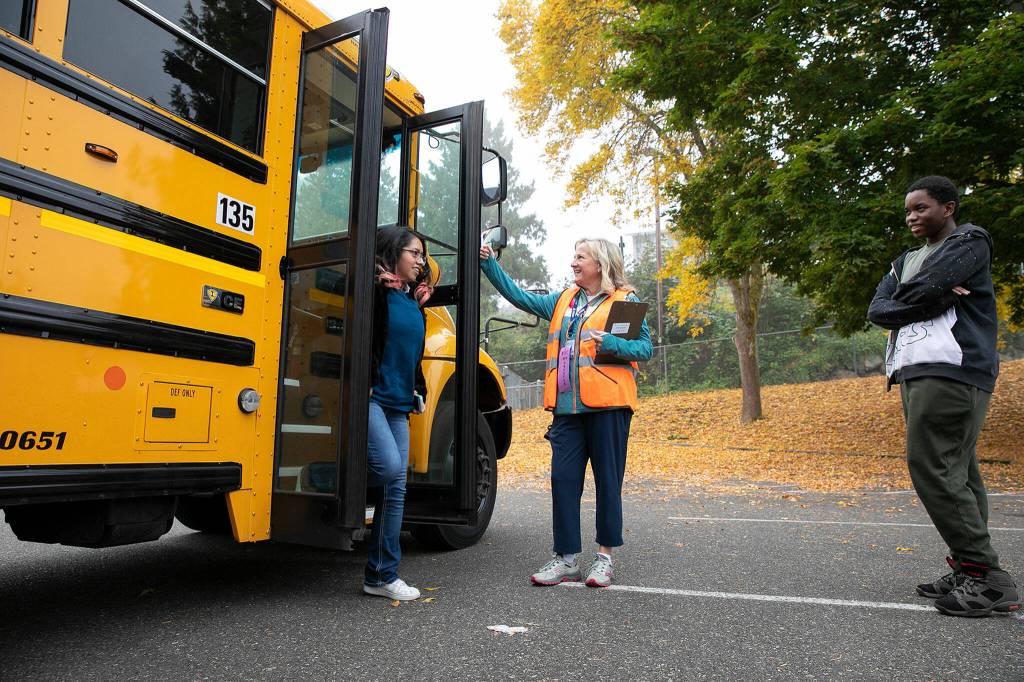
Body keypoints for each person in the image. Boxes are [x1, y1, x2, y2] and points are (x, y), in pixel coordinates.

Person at [867, 175, 1019, 617]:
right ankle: (969, 567)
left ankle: (986, 577)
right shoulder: (906, 259)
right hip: (915, 369)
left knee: (932, 465)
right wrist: (926, 296)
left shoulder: (971, 240)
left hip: (952, 367)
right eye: (909, 211)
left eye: (922, 208)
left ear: (948, 207)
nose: (913, 217)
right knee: (960, 469)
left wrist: (921, 295)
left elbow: (927, 288)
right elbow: (879, 308)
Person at [481, 237, 652, 587]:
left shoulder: (624, 301)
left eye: (580, 257)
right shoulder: (563, 301)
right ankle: (566, 558)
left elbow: (645, 347)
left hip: (609, 407)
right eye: (574, 256)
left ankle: (604, 558)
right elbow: (520, 297)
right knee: (563, 480)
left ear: (600, 264)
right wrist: (488, 264)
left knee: (608, 483)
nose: (573, 263)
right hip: (567, 410)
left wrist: (615, 343)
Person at [362, 226, 433, 601]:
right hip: (371, 399)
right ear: (393, 253)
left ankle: (380, 575)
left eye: (422, 255)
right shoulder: (374, 293)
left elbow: (410, 355)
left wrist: (417, 390)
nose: (420, 262)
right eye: (415, 253)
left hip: (398, 405)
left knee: (396, 487)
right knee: (388, 468)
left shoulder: (411, 302)